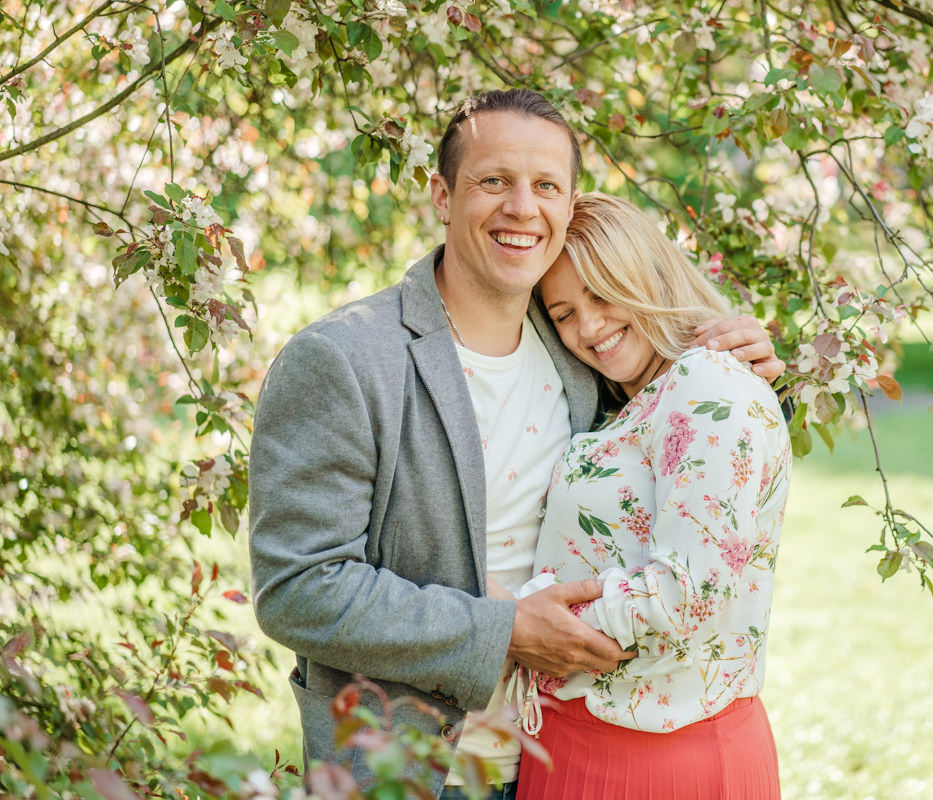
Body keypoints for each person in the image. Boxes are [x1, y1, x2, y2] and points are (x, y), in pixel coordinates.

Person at [248, 88, 784, 799]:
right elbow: (296, 590)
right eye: (493, 181)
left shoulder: (579, 352)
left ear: (569, 205)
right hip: (409, 770)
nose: (521, 208)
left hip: (559, 760)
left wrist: (746, 365)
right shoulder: (345, 360)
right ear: (442, 195)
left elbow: (684, 458)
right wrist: (498, 632)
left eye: (546, 186)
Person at [510, 194, 792, 800]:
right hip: (571, 745)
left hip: (657, 756)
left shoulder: (705, 379)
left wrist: (520, 626)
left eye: (603, 294)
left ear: (647, 275)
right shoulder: (632, 400)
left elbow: (689, 594)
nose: (588, 327)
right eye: (563, 313)